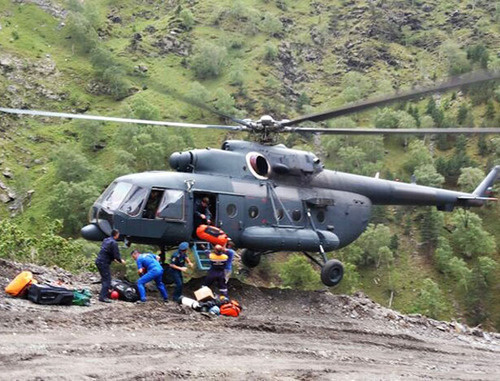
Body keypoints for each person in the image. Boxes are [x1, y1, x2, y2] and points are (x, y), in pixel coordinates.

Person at [95, 229, 125, 303]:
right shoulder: (114, 243)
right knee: (107, 279)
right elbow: (116, 254)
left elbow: (107, 251)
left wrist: (113, 259)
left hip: (99, 261)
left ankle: (104, 294)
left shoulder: (106, 240)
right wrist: (120, 261)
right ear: (116, 235)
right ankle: (103, 297)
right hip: (104, 262)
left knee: (104, 278)